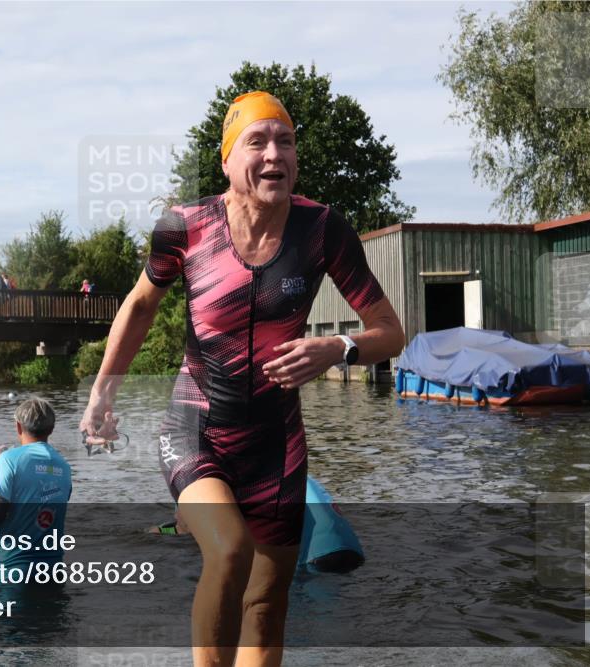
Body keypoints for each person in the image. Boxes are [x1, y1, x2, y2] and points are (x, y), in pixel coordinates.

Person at [79, 91, 405, 666]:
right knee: (229, 551)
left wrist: (337, 347)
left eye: (285, 141)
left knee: (267, 603)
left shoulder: (323, 229)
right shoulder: (186, 227)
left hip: (276, 444)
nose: (274, 153)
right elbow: (139, 306)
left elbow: (389, 331)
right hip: (196, 427)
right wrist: (102, 395)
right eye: (257, 141)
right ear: (228, 161)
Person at [0, 398, 72, 577]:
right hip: (53, 570)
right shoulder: (64, 467)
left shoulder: (9, 459)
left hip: (13, 569)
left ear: (18, 427)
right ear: (51, 429)